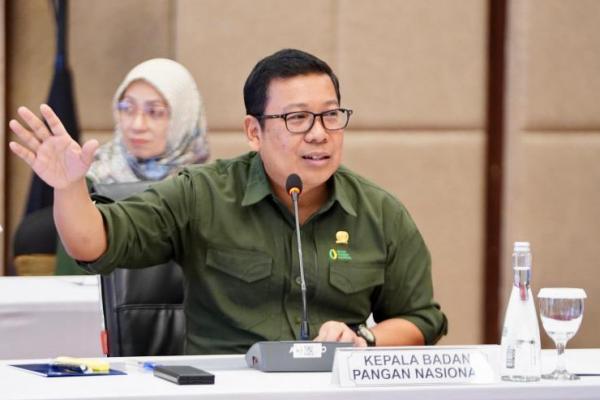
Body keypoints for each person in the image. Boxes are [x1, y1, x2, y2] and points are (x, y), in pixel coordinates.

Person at [9, 49, 447, 354]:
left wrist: (363, 340)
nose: (319, 133)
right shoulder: (202, 194)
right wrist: (68, 187)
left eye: (331, 115)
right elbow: (94, 242)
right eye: (297, 118)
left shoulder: (379, 211)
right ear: (253, 132)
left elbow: (420, 319)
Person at [55, 58, 209, 275]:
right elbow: (70, 288)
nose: (137, 125)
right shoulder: (86, 181)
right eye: (127, 108)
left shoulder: (208, 189)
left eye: (154, 112)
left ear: (184, 117)